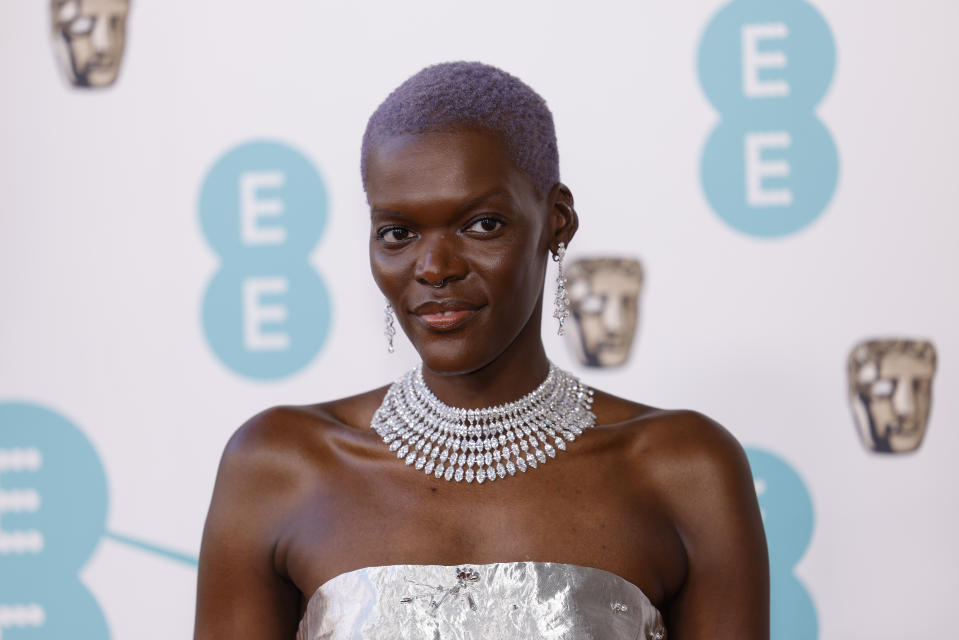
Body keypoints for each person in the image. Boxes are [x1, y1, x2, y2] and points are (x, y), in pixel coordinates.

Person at [194, 61, 769, 639]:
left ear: (557, 221)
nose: (435, 268)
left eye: (483, 224)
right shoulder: (279, 466)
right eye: (398, 233)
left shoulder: (683, 471)